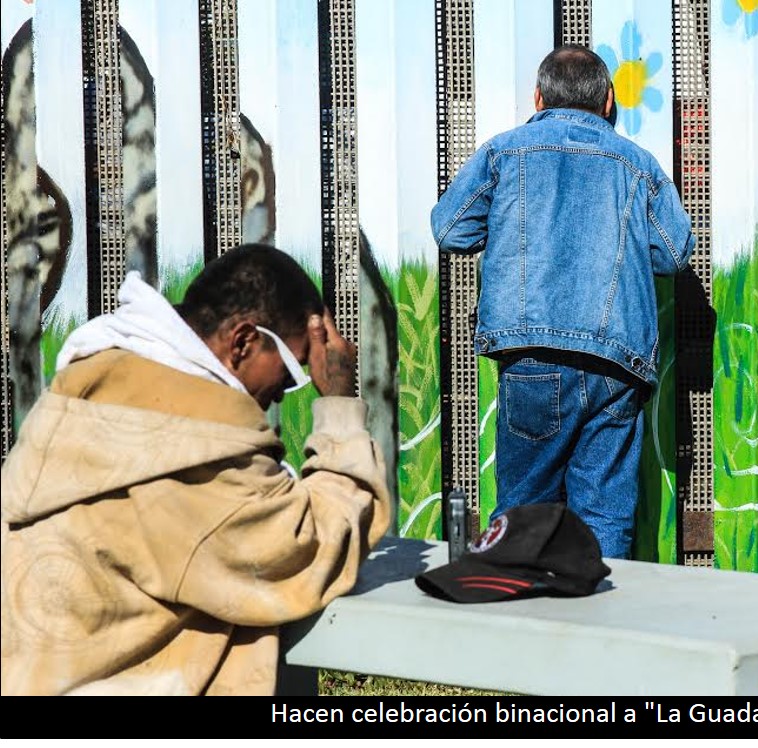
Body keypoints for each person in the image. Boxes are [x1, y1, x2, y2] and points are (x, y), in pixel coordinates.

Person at [0, 244, 391, 695]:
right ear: (243, 341)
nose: (285, 393)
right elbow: (311, 549)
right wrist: (338, 404)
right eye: (291, 371)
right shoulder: (200, 450)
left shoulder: (93, 381)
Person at [431, 45, 694, 559]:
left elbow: (451, 228)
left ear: (538, 97)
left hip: (531, 361)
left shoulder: (504, 153)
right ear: (609, 101)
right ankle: (601, 627)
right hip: (617, 365)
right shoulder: (638, 166)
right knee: (604, 520)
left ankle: (523, 626)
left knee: (525, 514)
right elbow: (674, 251)